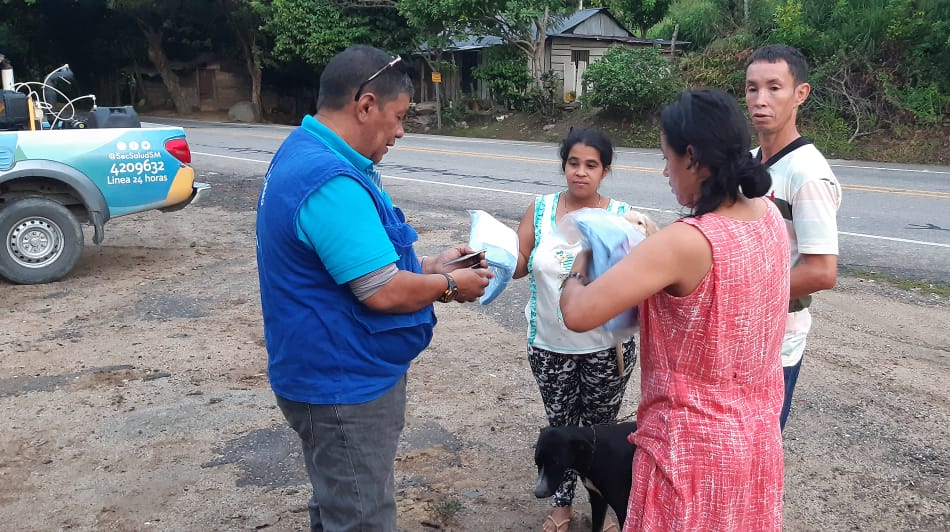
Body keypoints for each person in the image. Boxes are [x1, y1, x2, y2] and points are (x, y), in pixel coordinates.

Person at [254, 45, 492, 531]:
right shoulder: (329, 181)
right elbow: (381, 291)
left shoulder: (308, 153)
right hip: (342, 384)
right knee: (361, 516)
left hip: (330, 374)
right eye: (399, 116)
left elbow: (355, 267)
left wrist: (428, 264)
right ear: (365, 105)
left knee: (339, 502)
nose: (402, 131)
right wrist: (449, 285)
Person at [559, 89, 792, 530]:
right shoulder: (768, 217)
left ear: (692, 157)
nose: (665, 171)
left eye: (666, 158)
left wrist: (584, 256)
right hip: (756, 439)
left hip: (689, 452)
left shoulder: (686, 241)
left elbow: (579, 314)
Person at [512, 127, 638, 532]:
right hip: (550, 346)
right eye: (573, 164)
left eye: (591, 165)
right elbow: (517, 263)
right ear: (563, 165)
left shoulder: (622, 217)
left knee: (597, 436)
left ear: (605, 171)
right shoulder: (541, 209)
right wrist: (484, 257)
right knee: (561, 428)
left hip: (606, 350)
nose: (580, 173)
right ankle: (563, 506)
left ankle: (601, 501)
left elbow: (638, 280)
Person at [745, 44, 843, 430]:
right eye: (752, 89)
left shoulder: (807, 175)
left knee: (756, 453)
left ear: (800, 94)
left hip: (776, 340)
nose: (760, 100)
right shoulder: (750, 162)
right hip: (740, 330)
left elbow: (821, 272)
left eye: (774, 88)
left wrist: (741, 292)